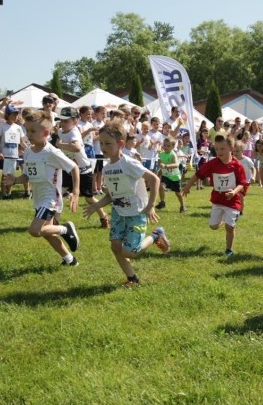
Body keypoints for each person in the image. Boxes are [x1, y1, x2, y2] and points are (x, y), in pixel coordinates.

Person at [84, 120, 170, 286]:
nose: (103, 147)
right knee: (116, 247)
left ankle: (155, 235)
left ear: (120, 144)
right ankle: (132, 279)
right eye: (101, 143)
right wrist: (96, 206)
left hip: (137, 213)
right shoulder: (107, 168)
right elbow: (111, 195)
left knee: (131, 252)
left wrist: (150, 205)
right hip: (118, 213)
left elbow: (154, 179)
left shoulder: (129, 163)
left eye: (107, 143)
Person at [3, 109, 81, 266]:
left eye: (33, 131)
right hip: (38, 198)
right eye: (27, 130)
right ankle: (69, 259)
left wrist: (76, 192)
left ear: (46, 132)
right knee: (47, 233)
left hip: (51, 198)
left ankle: (65, 229)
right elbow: (27, 176)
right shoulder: (28, 152)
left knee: (34, 230)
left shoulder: (52, 152)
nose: (29, 134)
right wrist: (15, 180)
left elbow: (74, 168)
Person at [181, 133, 248, 260]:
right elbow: (198, 174)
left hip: (232, 201)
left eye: (222, 149)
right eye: (216, 149)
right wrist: (187, 186)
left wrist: (234, 192)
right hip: (217, 201)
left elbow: (242, 184)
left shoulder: (237, 165)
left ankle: (229, 249)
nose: (219, 151)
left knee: (230, 227)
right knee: (213, 226)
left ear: (231, 149)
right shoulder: (213, 163)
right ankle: (223, 221)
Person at [56, 107, 107, 228]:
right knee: (59, 194)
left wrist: (60, 145)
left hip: (84, 170)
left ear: (75, 121)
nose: (63, 123)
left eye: (66, 121)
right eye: (61, 121)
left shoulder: (74, 132)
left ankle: (104, 217)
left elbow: (77, 147)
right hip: (69, 169)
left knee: (89, 198)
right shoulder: (60, 131)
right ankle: (54, 221)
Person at [0, 105, 26, 199]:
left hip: (14, 155)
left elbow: (21, 141)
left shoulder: (18, 127)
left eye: (17, 114)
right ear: (8, 115)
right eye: (14, 114)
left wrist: (28, 149)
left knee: (11, 174)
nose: (16, 116)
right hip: (5, 154)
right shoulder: (2, 126)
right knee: (5, 174)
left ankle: (9, 193)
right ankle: (3, 193)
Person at [156, 136, 185, 213]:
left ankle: (182, 206)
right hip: (166, 176)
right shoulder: (161, 154)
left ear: (172, 147)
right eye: (164, 145)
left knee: (178, 194)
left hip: (175, 177)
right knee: (161, 186)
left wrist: (166, 166)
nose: (165, 147)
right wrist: (158, 173)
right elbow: (160, 165)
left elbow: (176, 164)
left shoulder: (173, 154)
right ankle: (162, 202)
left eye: (168, 146)